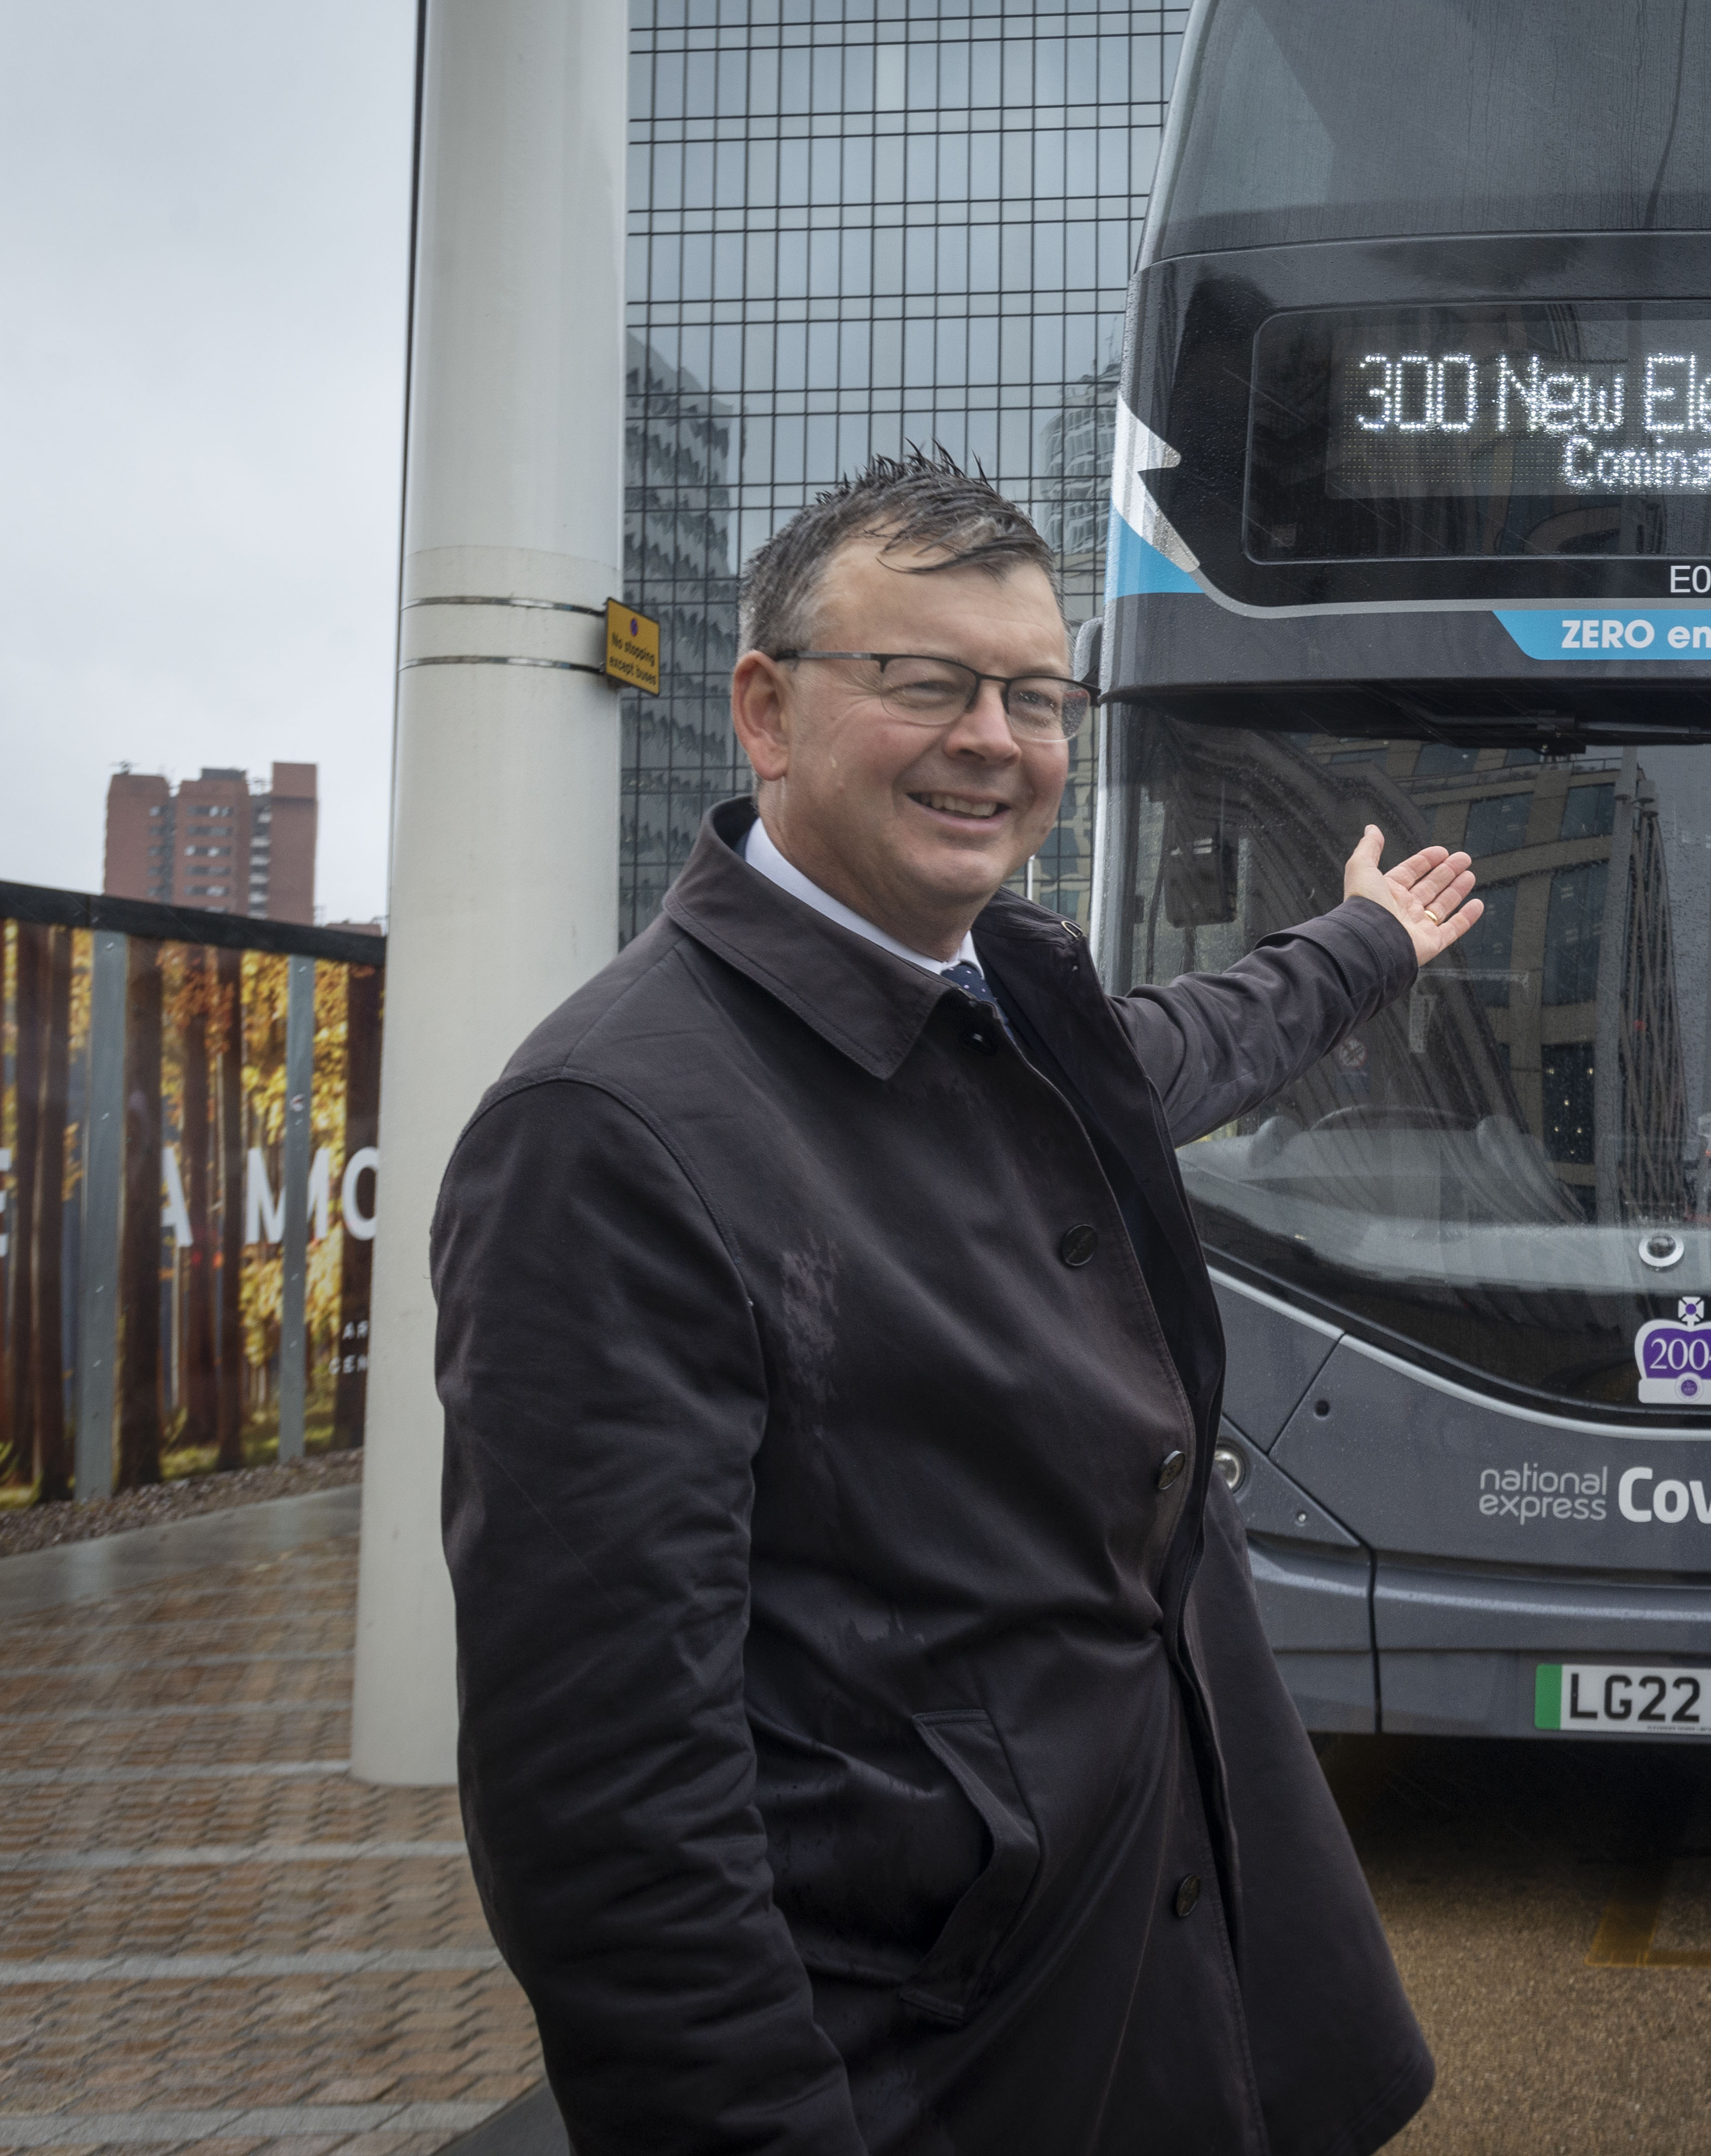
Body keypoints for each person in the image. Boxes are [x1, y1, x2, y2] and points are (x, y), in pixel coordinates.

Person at [434, 454, 1471, 2155]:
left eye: (1034, 696)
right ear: (764, 712)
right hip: (938, 2057)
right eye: (923, 683)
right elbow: (610, 1803)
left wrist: (1364, 944)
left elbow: (1193, 1044)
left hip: (1138, 1968)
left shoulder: (1007, 1006)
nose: (994, 738)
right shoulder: (608, 1131)